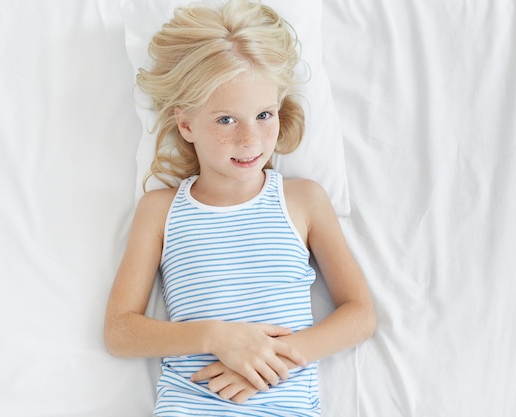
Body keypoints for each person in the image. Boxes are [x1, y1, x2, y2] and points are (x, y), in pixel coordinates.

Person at [104, 0, 376, 415]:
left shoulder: (302, 200)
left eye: (264, 115)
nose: (250, 140)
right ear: (187, 124)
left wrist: (272, 361)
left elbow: (360, 314)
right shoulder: (161, 210)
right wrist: (216, 337)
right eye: (226, 120)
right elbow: (121, 331)